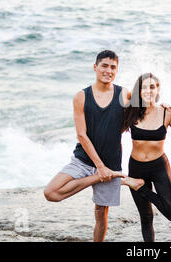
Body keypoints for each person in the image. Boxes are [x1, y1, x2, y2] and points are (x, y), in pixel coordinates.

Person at [43, 50, 130, 242]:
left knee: (101, 212)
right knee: (51, 193)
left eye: (113, 67)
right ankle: (97, 178)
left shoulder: (124, 94)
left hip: (112, 161)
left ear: (117, 70)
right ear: (95, 67)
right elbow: (81, 134)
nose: (108, 70)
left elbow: (138, 116)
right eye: (104, 66)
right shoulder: (81, 96)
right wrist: (100, 169)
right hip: (83, 160)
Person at [120, 73, 171, 242]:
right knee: (146, 217)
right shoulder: (130, 112)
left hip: (159, 167)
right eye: (144, 87)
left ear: (158, 89)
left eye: (152, 87)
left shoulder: (166, 113)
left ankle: (141, 188)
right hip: (136, 168)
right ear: (138, 91)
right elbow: (111, 135)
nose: (148, 91)